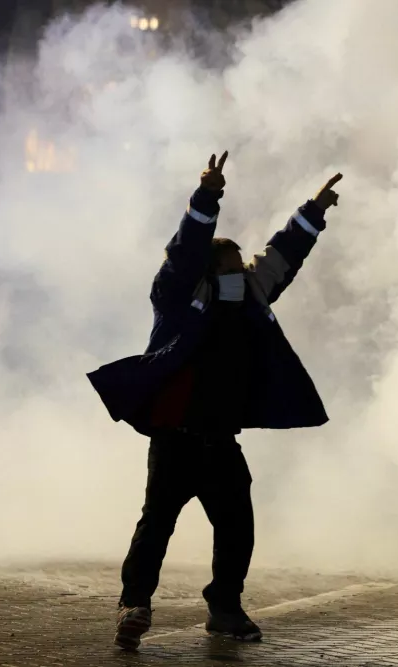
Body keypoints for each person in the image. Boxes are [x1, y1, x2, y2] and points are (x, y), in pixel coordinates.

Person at [87, 151, 343, 650]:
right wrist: (208, 195)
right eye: (229, 264)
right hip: (176, 438)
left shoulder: (248, 295)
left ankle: (225, 609)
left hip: (219, 440)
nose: (241, 270)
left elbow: (282, 257)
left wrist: (314, 211)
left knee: (236, 528)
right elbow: (186, 249)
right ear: (208, 268)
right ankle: (133, 605)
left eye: (241, 265)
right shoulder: (177, 295)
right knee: (156, 525)